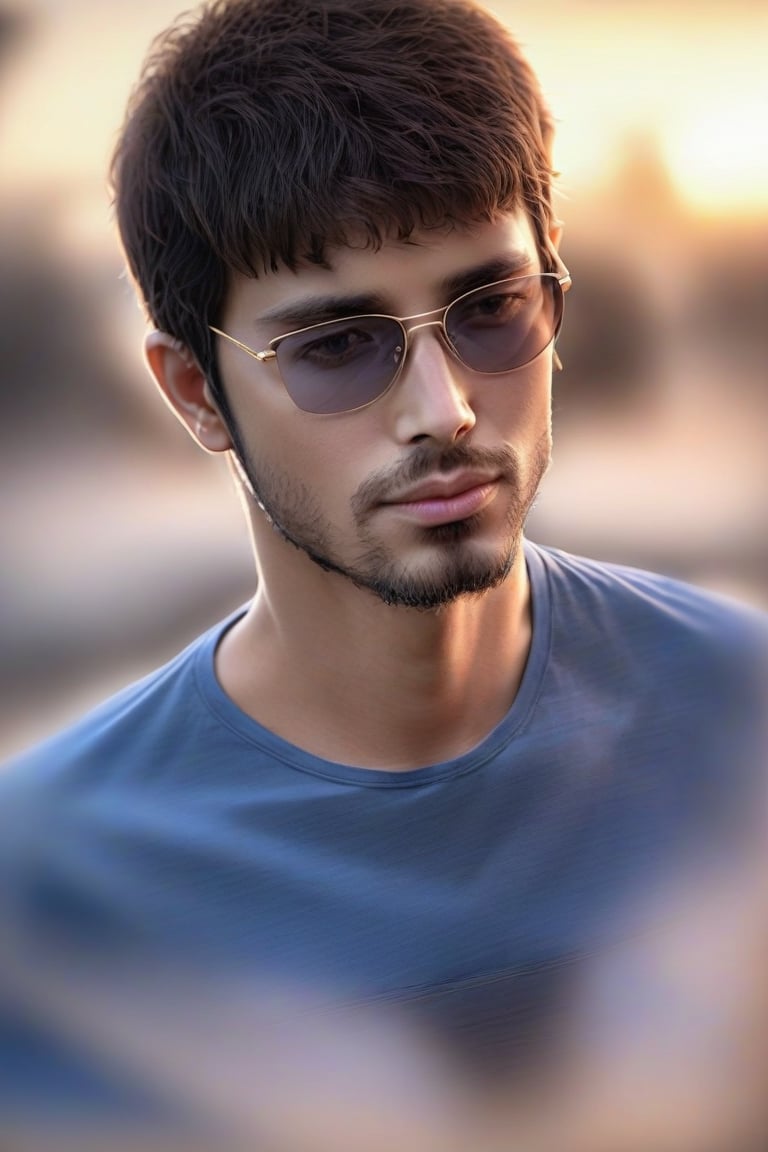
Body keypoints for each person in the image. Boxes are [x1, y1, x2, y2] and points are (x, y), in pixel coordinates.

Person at [1, 1, 766, 1148]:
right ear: (195, 394)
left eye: (491, 312)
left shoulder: (744, 720)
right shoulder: (47, 892)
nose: (445, 411)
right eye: (336, 346)